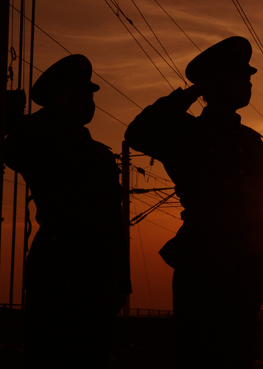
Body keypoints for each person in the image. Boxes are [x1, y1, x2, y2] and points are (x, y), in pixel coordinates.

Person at [125, 36, 263, 368]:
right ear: (216, 83)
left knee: (237, 357)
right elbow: (137, 132)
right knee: (199, 356)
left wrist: (258, 273)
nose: (247, 84)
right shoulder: (186, 133)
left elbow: (256, 210)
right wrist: (192, 91)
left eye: (247, 77)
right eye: (239, 77)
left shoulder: (250, 141)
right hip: (204, 266)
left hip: (246, 271)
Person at [3, 54, 131, 368]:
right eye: (83, 94)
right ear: (61, 98)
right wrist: (45, 115)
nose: (90, 101)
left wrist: (119, 283)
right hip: (60, 274)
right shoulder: (41, 140)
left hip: (99, 279)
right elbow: (18, 146)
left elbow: (114, 224)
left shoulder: (98, 153)